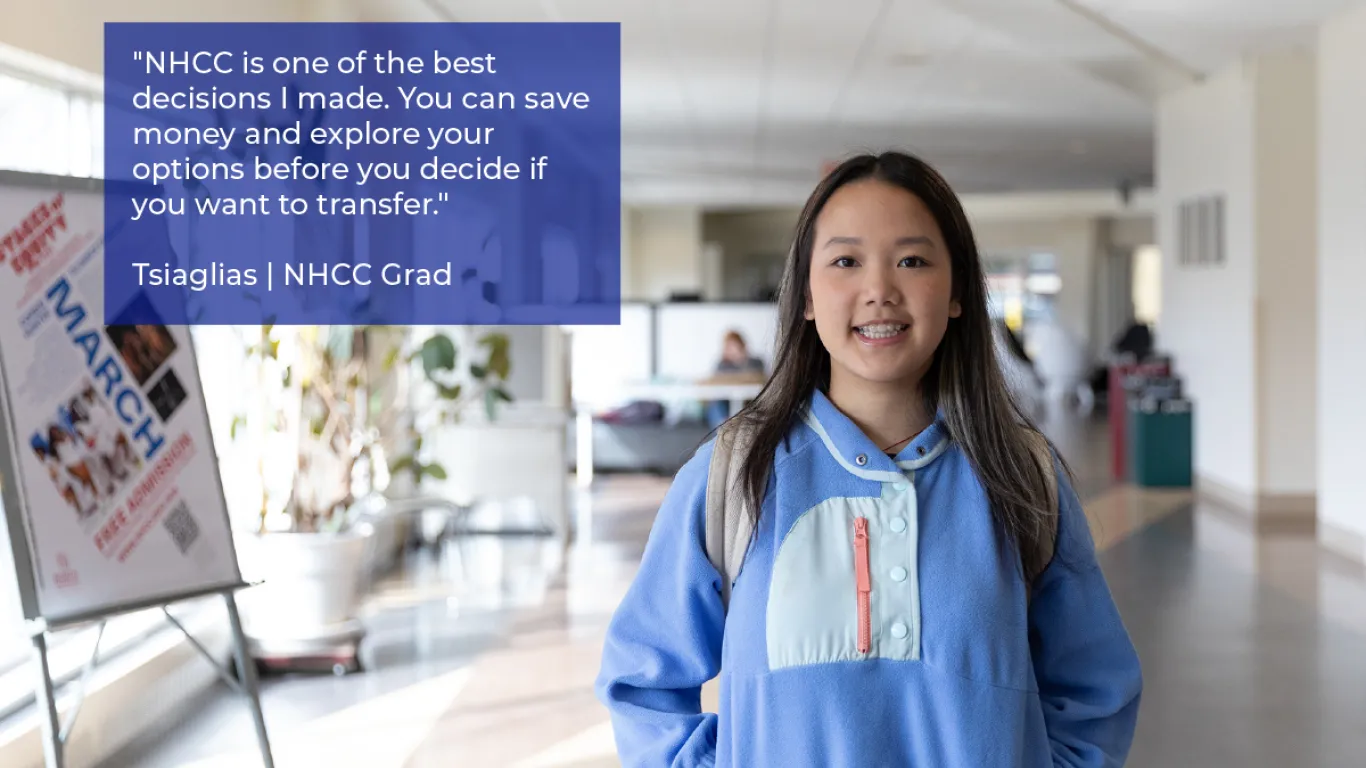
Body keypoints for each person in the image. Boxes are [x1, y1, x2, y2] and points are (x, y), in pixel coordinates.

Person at [594, 151, 1142, 767]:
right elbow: (642, 681)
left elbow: (1096, 689)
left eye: (911, 260)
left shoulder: (1020, 474)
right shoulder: (734, 473)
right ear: (804, 294)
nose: (879, 290)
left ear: (958, 291)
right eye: (845, 261)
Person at [702, 331, 766, 429]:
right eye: (728, 346)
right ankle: (724, 427)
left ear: (741, 345)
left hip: (749, 401)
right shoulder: (722, 364)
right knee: (716, 403)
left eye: (734, 345)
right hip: (726, 401)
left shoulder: (756, 362)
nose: (731, 349)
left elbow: (758, 378)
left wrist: (741, 359)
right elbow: (716, 383)